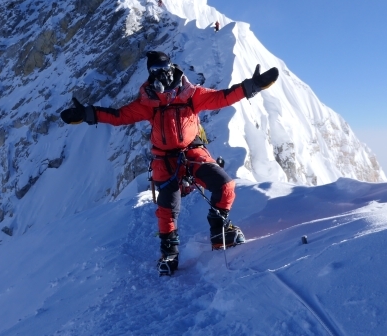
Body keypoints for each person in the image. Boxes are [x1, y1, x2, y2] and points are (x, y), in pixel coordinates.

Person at [61, 50, 279, 272]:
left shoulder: (192, 95)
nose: (161, 76)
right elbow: (120, 116)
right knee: (167, 208)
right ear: (150, 74)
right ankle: (169, 254)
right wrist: (88, 114)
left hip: (193, 153)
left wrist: (254, 85)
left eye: (164, 70)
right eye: (155, 72)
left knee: (225, 187)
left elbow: (223, 97)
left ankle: (220, 231)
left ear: (172, 68)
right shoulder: (148, 102)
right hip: (164, 160)